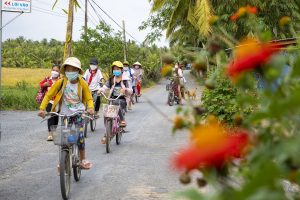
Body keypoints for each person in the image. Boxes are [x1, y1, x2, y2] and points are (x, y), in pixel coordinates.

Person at [38, 57, 94, 169]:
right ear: (65, 71)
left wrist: (91, 108)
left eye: (73, 69)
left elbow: (89, 98)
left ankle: (83, 159)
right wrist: (42, 108)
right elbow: (49, 95)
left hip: (78, 113)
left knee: (80, 136)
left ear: (78, 71)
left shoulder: (82, 83)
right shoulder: (61, 82)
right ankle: (62, 161)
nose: (70, 72)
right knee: (64, 138)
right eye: (68, 69)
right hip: (64, 114)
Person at [98, 61, 132, 144]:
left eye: (117, 69)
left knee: (117, 102)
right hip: (112, 99)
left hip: (122, 100)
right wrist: (100, 90)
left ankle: (122, 121)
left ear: (121, 70)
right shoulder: (111, 79)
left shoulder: (125, 80)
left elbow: (131, 91)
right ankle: (106, 135)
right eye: (114, 69)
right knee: (106, 113)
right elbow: (105, 87)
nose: (116, 70)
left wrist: (126, 90)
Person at [39, 64, 61, 141]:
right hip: (49, 101)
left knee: (56, 117)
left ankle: (54, 130)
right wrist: (44, 85)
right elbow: (40, 84)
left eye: (57, 70)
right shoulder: (47, 79)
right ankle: (50, 134)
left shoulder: (61, 80)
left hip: (58, 102)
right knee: (50, 116)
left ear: (59, 72)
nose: (54, 72)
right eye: (53, 70)